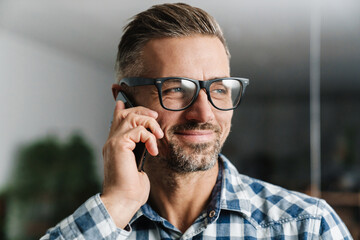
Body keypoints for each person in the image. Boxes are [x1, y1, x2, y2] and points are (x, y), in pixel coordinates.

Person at [41, 3, 352, 239]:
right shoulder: (103, 224)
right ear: (125, 100)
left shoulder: (307, 226)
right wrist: (118, 204)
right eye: (176, 89)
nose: (204, 114)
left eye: (218, 89)